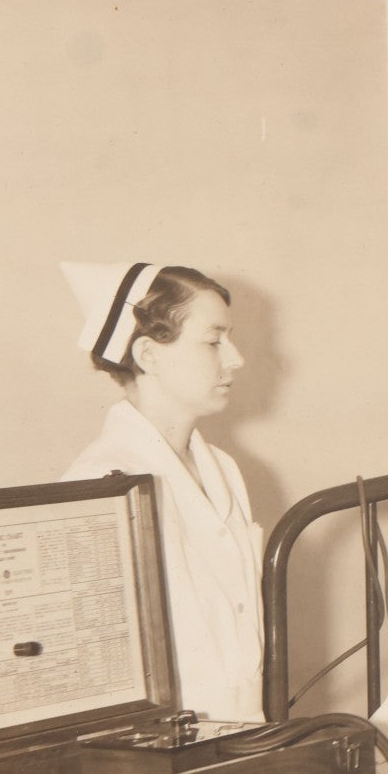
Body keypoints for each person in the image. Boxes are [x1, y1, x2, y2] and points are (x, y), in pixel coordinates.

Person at [61, 261, 264, 721]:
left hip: (244, 731)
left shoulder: (224, 470)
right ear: (149, 355)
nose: (235, 359)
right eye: (214, 341)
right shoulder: (100, 484)